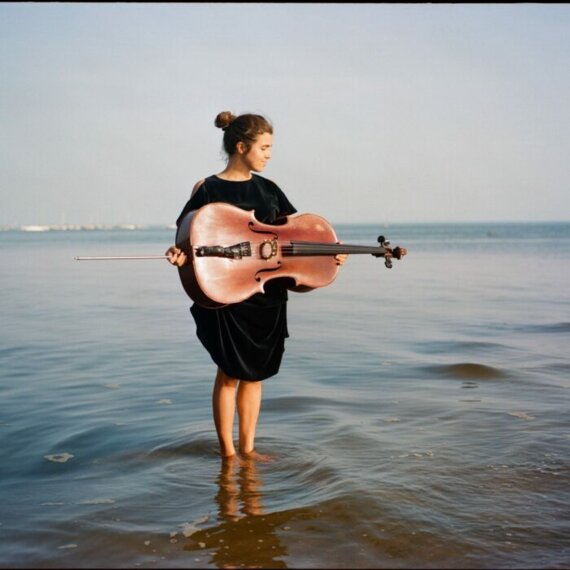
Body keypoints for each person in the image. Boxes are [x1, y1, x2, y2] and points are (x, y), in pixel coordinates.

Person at [166, 111, 347, 462]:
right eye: (264, 147)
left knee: (255, 375)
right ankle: (228, 454)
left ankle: (248, 449)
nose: (269, 154)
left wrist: (331, 254)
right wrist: (180, 255)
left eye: (270, 147)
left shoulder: (269, 189)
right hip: (225, 290)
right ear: (240, 146)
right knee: (229, 372)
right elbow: (189, 237)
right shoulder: (207, 189)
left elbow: (296, 235)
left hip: (267, 292)